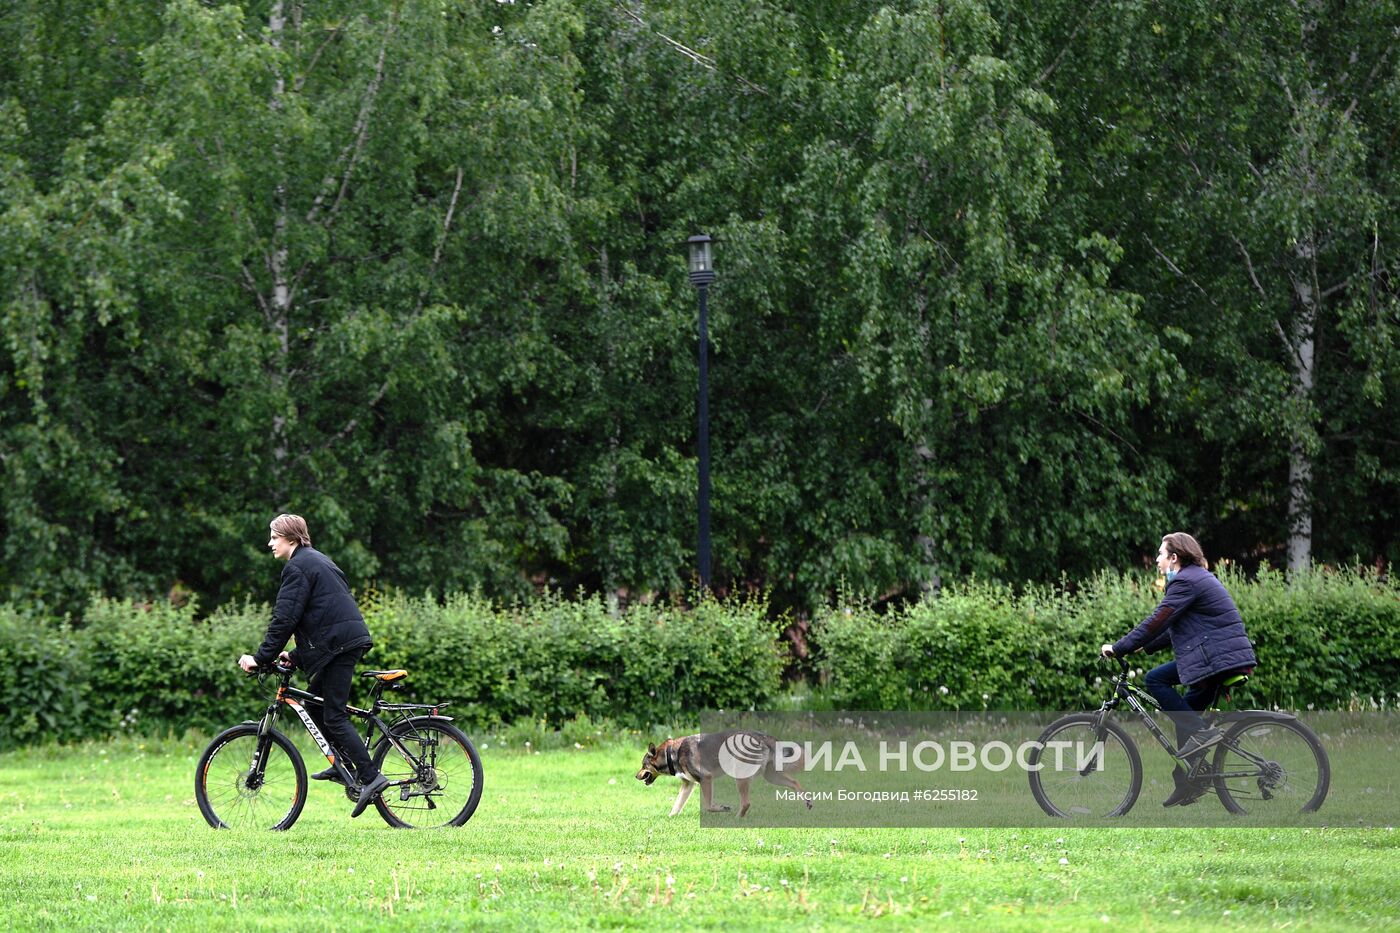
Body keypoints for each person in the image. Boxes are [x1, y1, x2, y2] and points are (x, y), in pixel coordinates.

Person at [238, 513, 389, 817]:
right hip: (341, 641)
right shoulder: (316, 561)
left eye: (274, 536)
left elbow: (285, 619)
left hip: (341, 645)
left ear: (291, 538)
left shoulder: (298, 567)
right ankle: (343, 766)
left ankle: (371, 777)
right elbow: (322, 616)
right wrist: (293, 656)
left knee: (333, 714)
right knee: (317, 706)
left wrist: (261, 657)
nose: (270, 543)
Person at [1100, 532, 1257, 807]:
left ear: (1174, 558)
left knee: (1155, 679)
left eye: (1160, 554)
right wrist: (1143, 647)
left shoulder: (1185, 581)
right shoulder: (1196, 578)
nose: (1157, 560)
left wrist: (1119, 647)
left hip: (1217, 658)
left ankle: (1201, 734)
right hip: (1217, 656)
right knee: (1184, 713)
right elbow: (1174, 627)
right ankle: (1188, 782)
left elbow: (1157, 621)